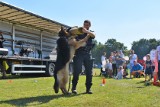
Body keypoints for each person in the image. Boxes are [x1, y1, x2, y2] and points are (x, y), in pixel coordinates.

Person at [72, 20, 95, 94]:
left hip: (88, 54)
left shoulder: (91, 32)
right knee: (77, 71)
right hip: (79, 53)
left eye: (87, 25)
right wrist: (84, 38)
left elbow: (94, 35)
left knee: (89, 72)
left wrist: (87, 32)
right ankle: (74, 88)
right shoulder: (79, 32)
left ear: (89, 25)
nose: (85, 26)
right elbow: (76, 43)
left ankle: (88, 89)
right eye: (84, 25)